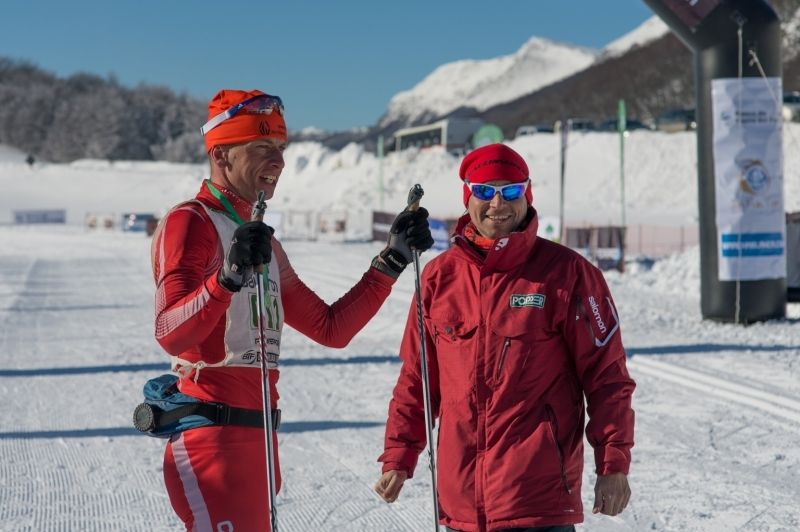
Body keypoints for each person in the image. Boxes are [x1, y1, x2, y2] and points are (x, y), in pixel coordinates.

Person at [150, 88, 433, 531]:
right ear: (221, 154)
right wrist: (225, 279)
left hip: (259, 444)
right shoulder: (192, 221)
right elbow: (171, 332)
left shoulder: (262, 241)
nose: (278, 161)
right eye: (262, 148)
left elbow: (330, 328)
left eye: (280, 148)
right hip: (212, 446)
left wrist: (391, 260)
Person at [374, 143, 635, 532]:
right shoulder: (438, 278)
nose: (498, 202)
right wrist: (399, 454)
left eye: (511, 190)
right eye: (484, 190)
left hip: (538, 501)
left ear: (526, 195)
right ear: (468, 196)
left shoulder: (568, 274)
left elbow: (607, 377)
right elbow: (417, 380)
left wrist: (613, 463)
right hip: (461, 502)